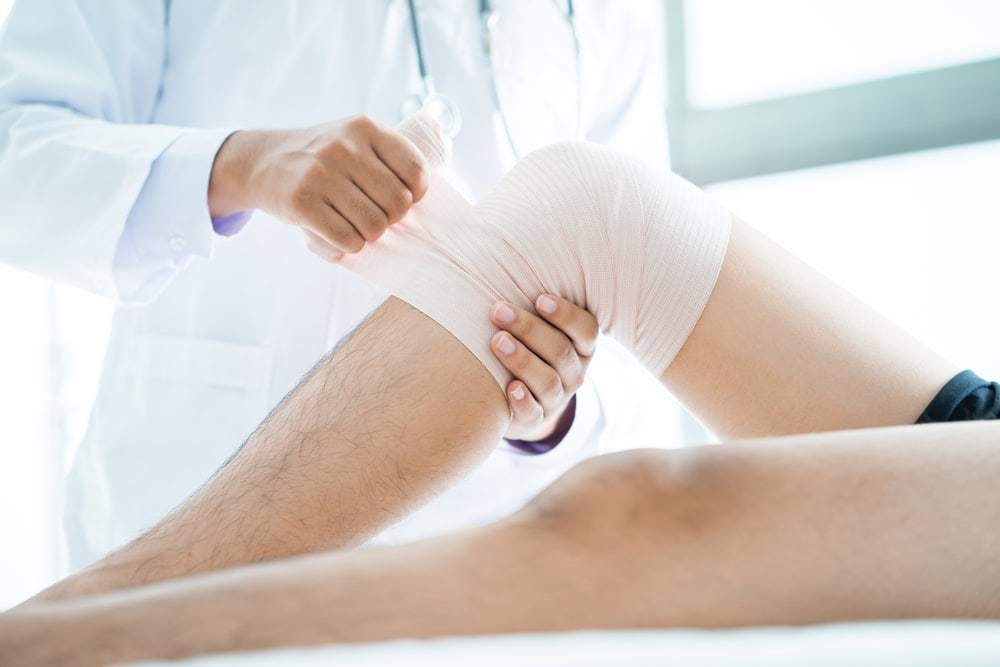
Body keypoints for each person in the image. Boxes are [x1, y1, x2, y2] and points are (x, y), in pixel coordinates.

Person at [4, 119, 997, 666]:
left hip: (472, 477)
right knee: (588, 204)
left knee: (629, 511)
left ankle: (49, 642)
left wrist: (550, 393)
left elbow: (597, 353)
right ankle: (58, 629)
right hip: (182, 449)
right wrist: (239, 162)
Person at [0, 0, 669, 572]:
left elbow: (638, 290)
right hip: (200, 521)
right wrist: (239, 165)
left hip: (490, 554)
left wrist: (552, 407)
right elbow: (15, 156)